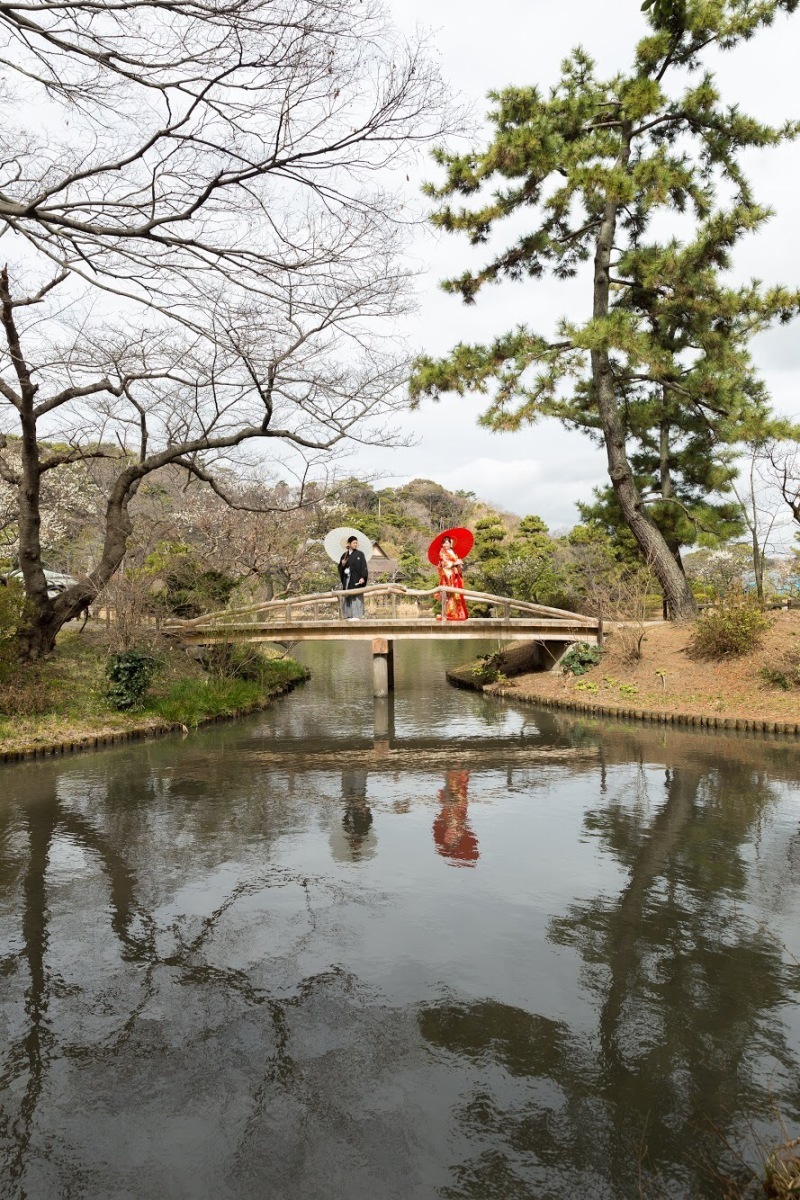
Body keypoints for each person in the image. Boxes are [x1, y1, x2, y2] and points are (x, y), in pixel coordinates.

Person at [437, 535, 468, 621]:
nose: (445, 544)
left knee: (457, 594)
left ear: (451, 544)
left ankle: (459, 613)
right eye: (444, 543)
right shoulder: (442, 552)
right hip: (449, 576)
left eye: (447, 543)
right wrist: (454, 563)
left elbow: (456, 563)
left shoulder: (453, 552)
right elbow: (444, 564)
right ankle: (450, 613)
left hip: (456, 575)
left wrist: (459, 563)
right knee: (451, 594)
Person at [338, 535, 369, 619]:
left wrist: (363, 577)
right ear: (349, 544)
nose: (356, 544)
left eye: (356, 543)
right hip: (347, 579)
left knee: (357, 596)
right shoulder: (345, 555)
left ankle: (357, 616)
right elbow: (340, 568)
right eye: (354, 543)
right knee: (347, 595)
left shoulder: (360, 554)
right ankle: (348, 615)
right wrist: (343, 565)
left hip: (357, 579)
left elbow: (364, 567)